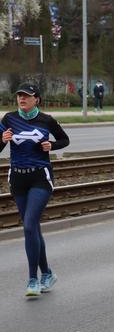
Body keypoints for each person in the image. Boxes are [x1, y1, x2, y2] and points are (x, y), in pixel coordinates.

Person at [0, 83, 70, 296]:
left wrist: (52, 146)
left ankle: (32, 280)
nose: (22, 99)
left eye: (27, 96)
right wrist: (2, 140)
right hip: (18, 178)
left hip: (40, 177)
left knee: (29, 226)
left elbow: (64, 139)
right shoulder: (8, 119)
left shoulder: (46, 120)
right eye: (19, 95)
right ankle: (47, 273)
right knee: (33, 229)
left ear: (36, 99)